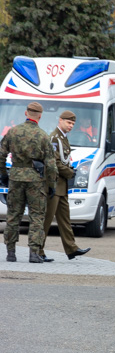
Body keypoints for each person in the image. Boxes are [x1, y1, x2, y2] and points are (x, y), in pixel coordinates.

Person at [1, 102, 57, 263]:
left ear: (26, 113)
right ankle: (33, 253)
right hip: (35, 180)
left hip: (16, 177)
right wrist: (52, 184)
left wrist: (4, 174)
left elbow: (1, 154)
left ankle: (10, 253)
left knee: (13, 216)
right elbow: (51, 165)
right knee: (37, 216)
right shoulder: (43, 136)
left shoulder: (13, 132)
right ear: (40, 116)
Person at [38, 111, 91, 262]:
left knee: (65, 219)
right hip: (53, 184)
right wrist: (70, 173)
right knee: (47, 219)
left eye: (73, 124)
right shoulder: (55, 138)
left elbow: (63, 159)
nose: (71, 126)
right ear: (60, 120)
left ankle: (71, 249)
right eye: (68, 123)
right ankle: (38, 250)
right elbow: (54, 162)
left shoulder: (63, 137)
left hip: (61, 186)